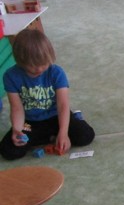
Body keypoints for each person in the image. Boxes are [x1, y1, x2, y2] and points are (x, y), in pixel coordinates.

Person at [1, 28, 95, 160]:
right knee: (8, 151)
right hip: (29, 124)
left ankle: (58, 132)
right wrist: (17, 130)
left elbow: (63, 105)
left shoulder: (56, 73)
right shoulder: (10, 76)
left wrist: (63, 133)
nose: (39, 69)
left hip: (56, 117)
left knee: (86, 135)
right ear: (20, 62)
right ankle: (51, 137)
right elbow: (16, 108)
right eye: (32, 66)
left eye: (43, 64)